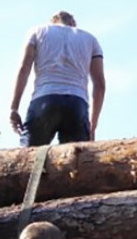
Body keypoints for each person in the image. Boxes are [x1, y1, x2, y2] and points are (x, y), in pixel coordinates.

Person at [9, 11, 105, 146]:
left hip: (44, 99)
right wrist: (92, 125)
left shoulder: (38, 31)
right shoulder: (91, 40)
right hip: (76, 102)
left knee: (29, 158)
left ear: (53, 22)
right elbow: (100, 85)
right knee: (75, 162)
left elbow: (24, 69)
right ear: (72, 23)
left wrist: (14, 108)